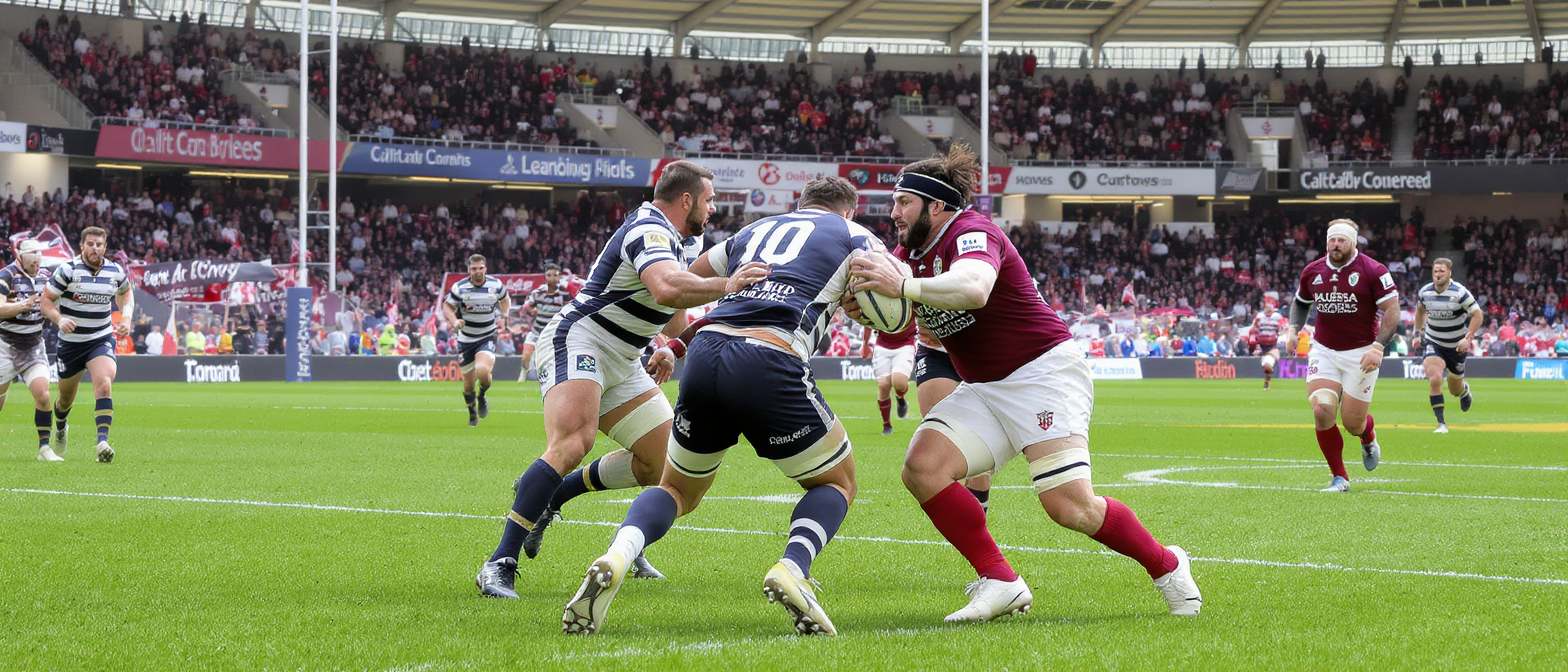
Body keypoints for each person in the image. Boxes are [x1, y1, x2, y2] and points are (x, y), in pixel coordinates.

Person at [845, 145, 1201, 623]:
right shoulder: (909, 254)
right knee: (923, 468)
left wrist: (903, 289)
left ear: (936, 206)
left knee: (1070, 507)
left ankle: (1168, 565)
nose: (893, 213)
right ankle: (1000, 581)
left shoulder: (971, 229)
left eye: (903, 202)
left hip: (1042, 374)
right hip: (986, 385)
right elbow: (915, 324)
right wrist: (868, 308)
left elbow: (973, 289)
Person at [564, 177, 871, 637]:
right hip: (770, 355)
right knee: (837, 481)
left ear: (801, 205)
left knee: (677, 490)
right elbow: (894, 300)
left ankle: (618, 554)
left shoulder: (756, 231)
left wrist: (674, 344)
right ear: (847, 211)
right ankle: (792, 567)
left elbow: (698, 278)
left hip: (706, 355)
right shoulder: (855, 235)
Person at [474, 161, 770, 599]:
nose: (711, 211)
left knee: (663, 465)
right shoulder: (647, 228)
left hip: (627, 356)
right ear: (685, 199)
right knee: (574, 441)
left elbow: (672, 318)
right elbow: (668, 288)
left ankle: (551, 497)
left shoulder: (681, 242)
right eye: (708, 201)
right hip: (582, 339)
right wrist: (728, 285)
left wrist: (671, 346)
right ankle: (499, 562)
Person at [1287, 220, 1398, 492]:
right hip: (1324, 349)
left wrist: (1378, 347)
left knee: (1352, 423)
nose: (1335, 245)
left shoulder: (1374, 270)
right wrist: (1293, 329)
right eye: (1332, 240)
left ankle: (1367, 437)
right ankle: (1340, 477)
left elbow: (1392, 311)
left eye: (1341, 241)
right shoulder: (1313, 271)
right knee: (1322, 408)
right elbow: (1301, 302)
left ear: (1353, 243)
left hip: (1361, 352)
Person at [40, 227, 133, 463]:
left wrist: (126, 317)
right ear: (82, 246)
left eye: (99, 244)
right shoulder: (68, 270)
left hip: (99, 339)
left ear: (105, 246)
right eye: (90, 244)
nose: (95, 249)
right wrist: (59, 320)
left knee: (103, 382)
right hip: (71, 345)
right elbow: (46, 301)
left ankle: (102, 442)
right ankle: (61, 423)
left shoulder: (115, 270)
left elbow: (126, 293)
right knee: (64, 400)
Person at [0, 240, 61, 461]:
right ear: (21, 256)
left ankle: (45, 448)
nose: (37, 259)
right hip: (5, 345)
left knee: (43, 394)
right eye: (32, 255)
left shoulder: (46, 276)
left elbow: (56, 301)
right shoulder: (6, 275)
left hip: (34, 345)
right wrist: (21, 306)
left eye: (39, 254)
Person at [1411, 258, 1480, 434]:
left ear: (1449, 272)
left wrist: (1468, 338)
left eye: (1441, 271)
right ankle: (1441, 424)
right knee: (1434, 379)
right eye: (1435, 271)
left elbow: (1478, 315)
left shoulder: (1460, 293)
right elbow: (1420, 311)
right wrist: (1417, 333)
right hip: (1434, 341)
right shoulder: (1425, 292)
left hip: (1456, 346)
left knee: (1454, 390)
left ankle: (1464, 391)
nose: (1438, 275)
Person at [443, 255, 509, 427]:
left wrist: (504, 316)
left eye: (480, 268)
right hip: (465, 340)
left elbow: (505, 299)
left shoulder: (496, 285)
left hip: (487, 335)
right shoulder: (460, 288)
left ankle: (482, 395)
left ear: (485, 268)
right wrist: (454, 321)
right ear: (469, 270)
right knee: (467, 385)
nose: (477, 272)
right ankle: (472, 412)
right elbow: (447, 306)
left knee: (482, 369)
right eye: (474, 268)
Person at [514, 263, 572, 382]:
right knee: (526, 355)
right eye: (549, 275)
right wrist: (531, 314)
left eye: (555, 275)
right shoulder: (538, 292)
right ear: (545, 277)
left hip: (553, 333)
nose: (552, 278)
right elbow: (526, 307)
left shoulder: (564, 294)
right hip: (536, 331)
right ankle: (523, 372)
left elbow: (568, 311)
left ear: (559, 277)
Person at [861, 320, 915, 435]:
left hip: (905, 345)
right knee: (883, 385)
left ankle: (900, 399)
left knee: (899, 382)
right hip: (882, 347)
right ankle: (886, 425)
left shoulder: (910, 302)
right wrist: (865, 344)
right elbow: (867, 320)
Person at [1252, 304, 1291, 390]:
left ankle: (1267, 381)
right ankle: (1267, 379)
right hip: (1262, 347)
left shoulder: (1278, 319)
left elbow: (1285, 329)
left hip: (1272, 348)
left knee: (1267, 365)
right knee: (1265, 366)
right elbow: (1254, 331)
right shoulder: (1260, 318)